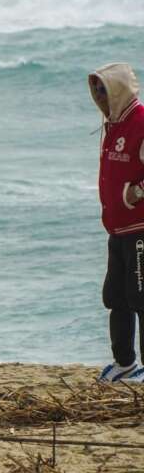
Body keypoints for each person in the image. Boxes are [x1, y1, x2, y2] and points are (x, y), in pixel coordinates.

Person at [90, 63, 144, 383]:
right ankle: (124, 363)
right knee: (115, 296)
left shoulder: (140, 122)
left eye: (104, 89)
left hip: (140, 228)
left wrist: (134, 193)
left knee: (141, 297)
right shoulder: (112, 124)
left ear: (118, 89)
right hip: (117, 228)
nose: (98, 96)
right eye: (96, 89)